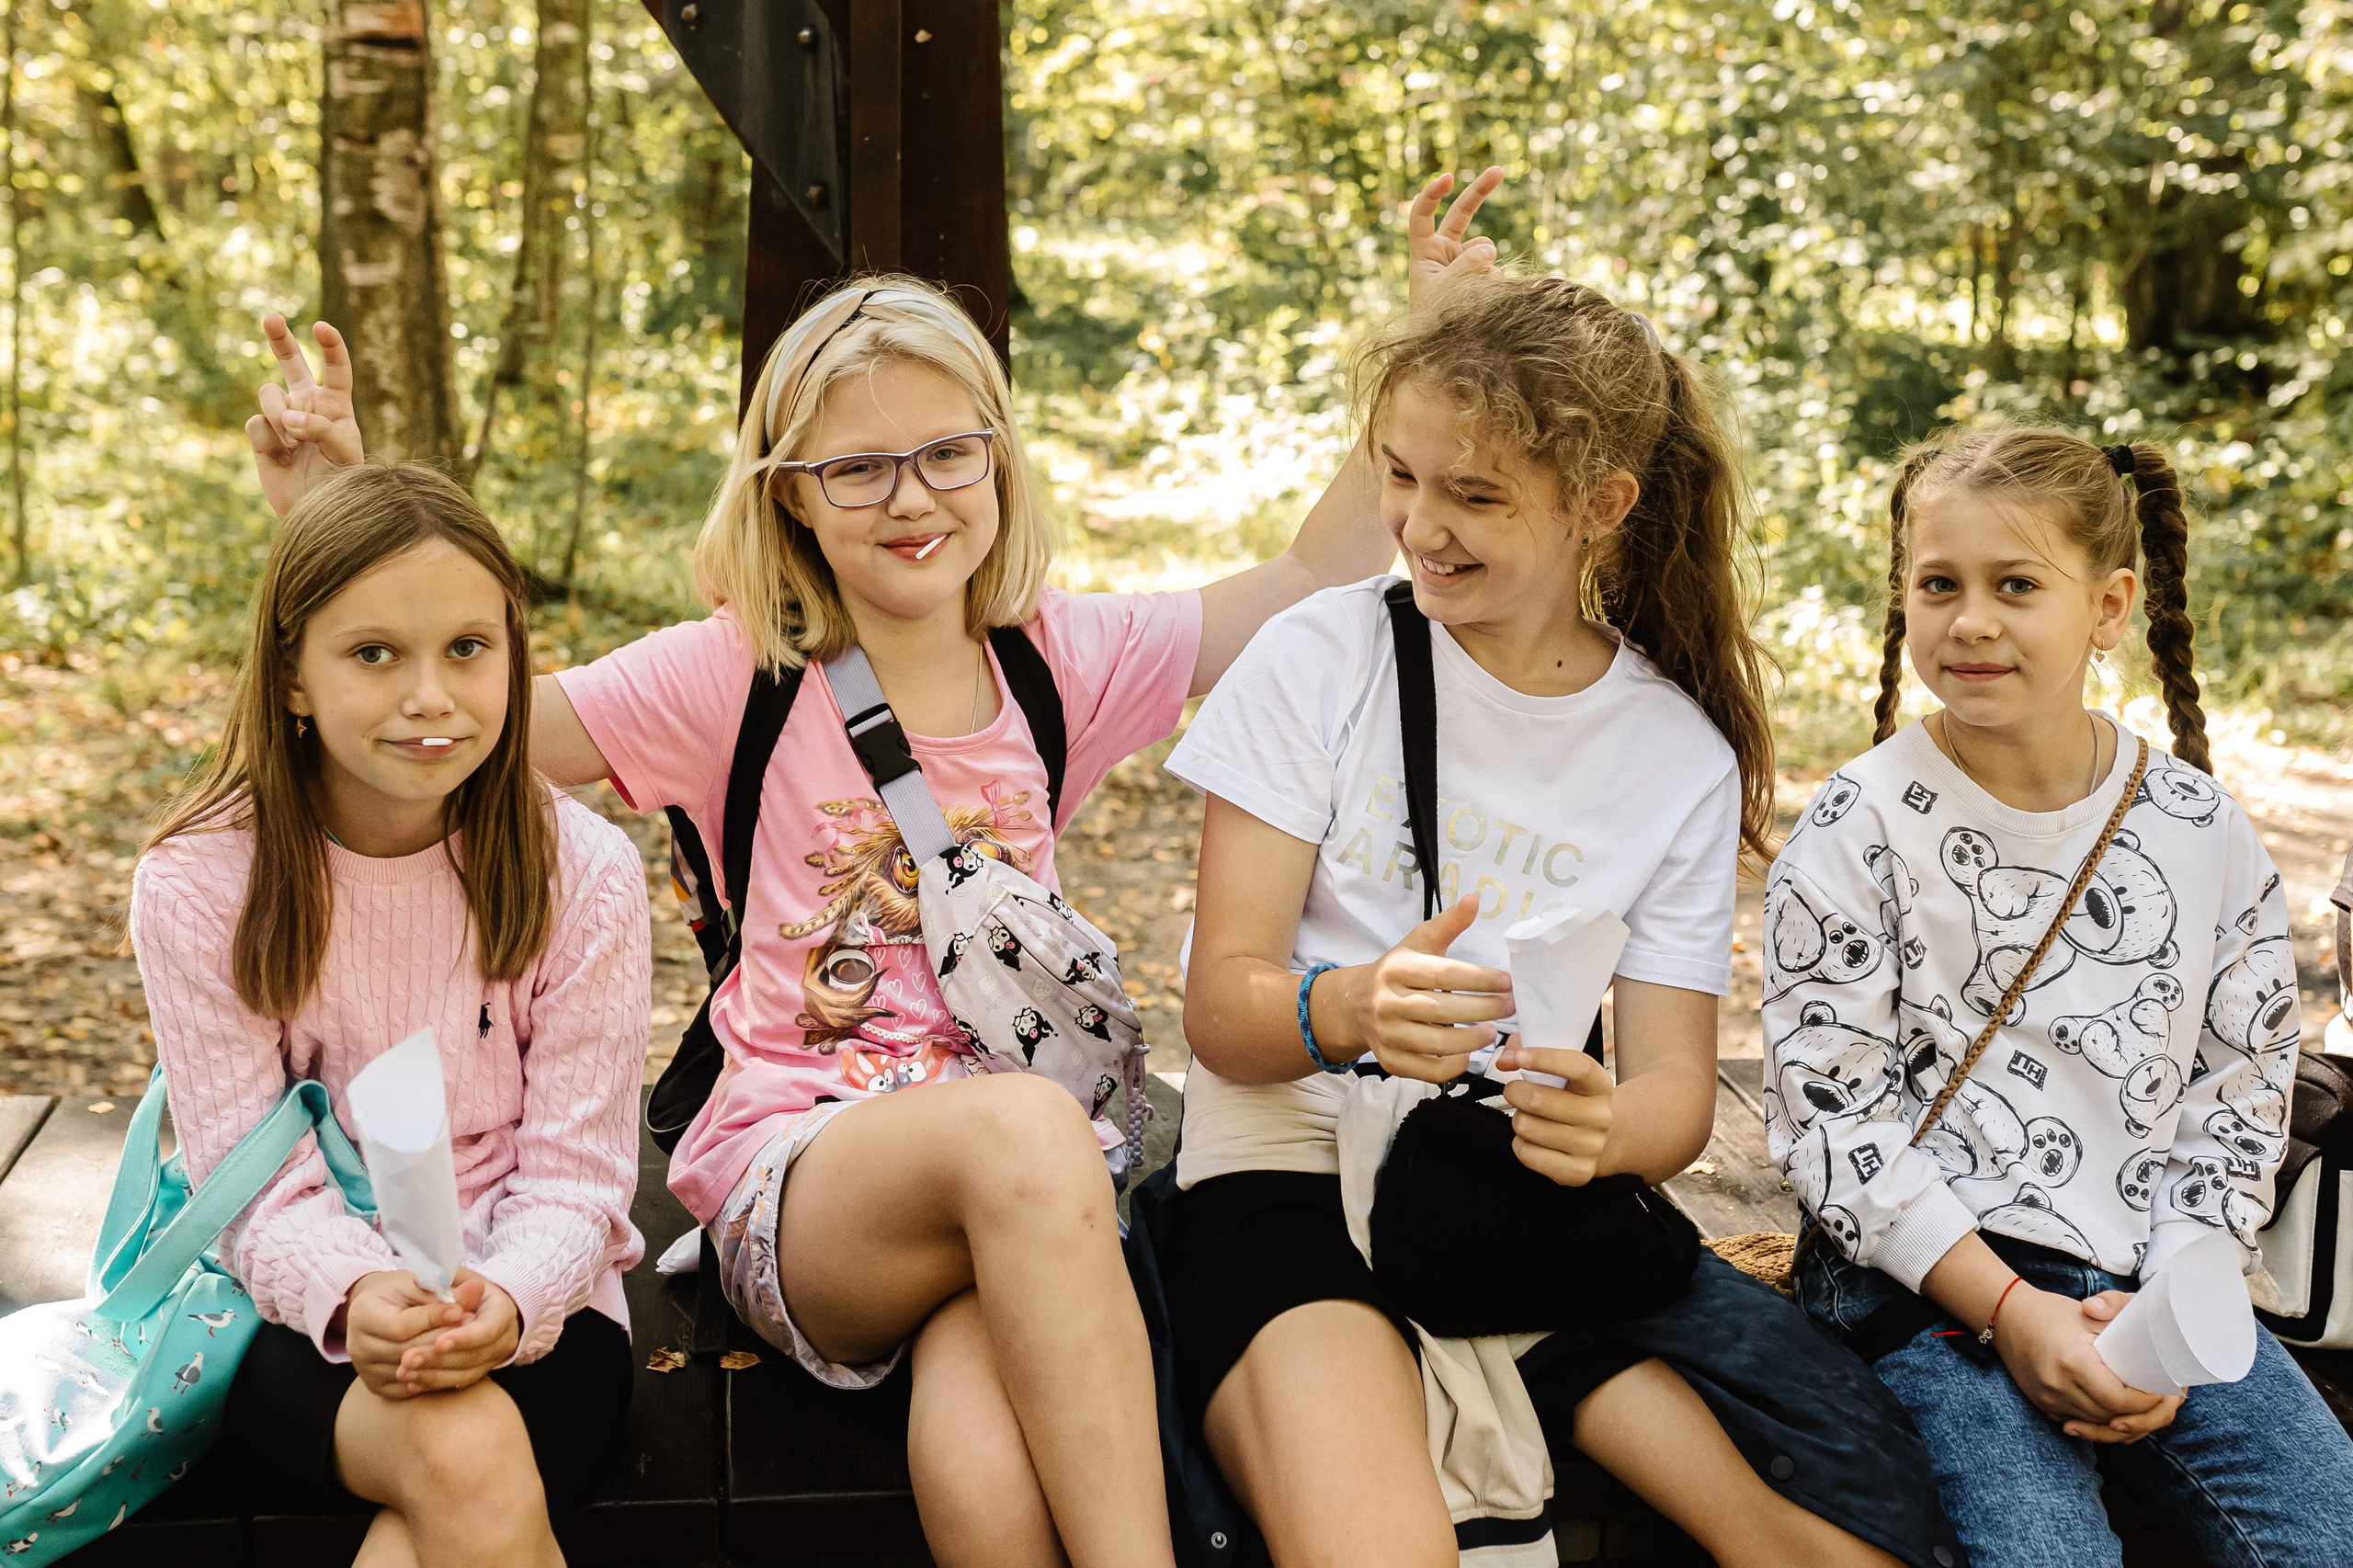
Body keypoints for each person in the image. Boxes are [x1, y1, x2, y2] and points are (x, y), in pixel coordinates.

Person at [235, 179, 1467, 1562]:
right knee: (1027, 1133)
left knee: (990, 1457)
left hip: (1018, 1209)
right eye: (856, 468)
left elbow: (1305, 575)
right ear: (790, 497)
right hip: (811, 1183)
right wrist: (336, 509)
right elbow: (462, 717)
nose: (912, 497)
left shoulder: (1060, 658)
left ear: (999, 458)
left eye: (949, 452)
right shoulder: (730, 677)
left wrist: (1431, 339)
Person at [1159, 241, 1962, 1563]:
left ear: (1601, 501)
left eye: (1473, 494)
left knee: (1811, 1541)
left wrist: (1603, 1134)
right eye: (1403, 477)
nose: (1420, 525)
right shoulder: (1324, 656)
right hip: (1287, 1169)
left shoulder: (1673, 758)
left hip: (1504, 1198)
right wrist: (1348, 1006)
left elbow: (1671, 1100)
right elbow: (1222, 1015)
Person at [1768, 426, 2353, 1566]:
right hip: (1935, 1283)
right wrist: (2008, 1308)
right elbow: (1832, 1118)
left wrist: (2176, 1310)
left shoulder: (2200, 830)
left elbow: (2239, 1088)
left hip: (2154, 1276)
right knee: (2043, 1550)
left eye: (2016, 585)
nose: (1970, 619)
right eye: (1939, 584)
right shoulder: (1859, 824)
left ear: (2109, 603)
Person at [131, 462, 651, 1568]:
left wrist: (503, 1299)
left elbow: (579, 1175)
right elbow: (254, 1187)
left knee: (438, 1504)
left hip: (540, 1309)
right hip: (295, 1322)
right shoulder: (201, 884)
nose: (432, 696)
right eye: (375, 654)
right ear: (293, 676)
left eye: (469, 647)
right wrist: (357, 1288)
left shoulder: (583, 872)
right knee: (458, 1456)